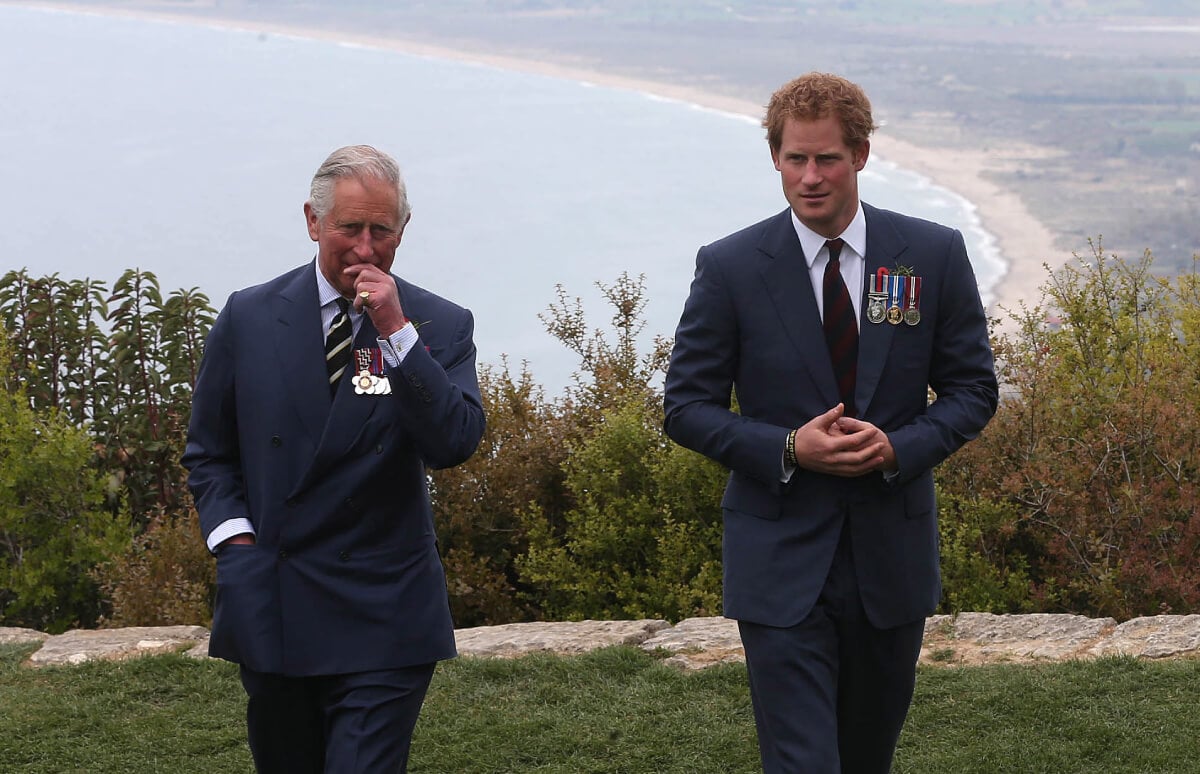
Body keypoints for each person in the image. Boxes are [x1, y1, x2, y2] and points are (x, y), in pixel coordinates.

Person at [662, 73, 998, 773]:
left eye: (827, 160)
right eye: (795, 159)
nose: (810, 178)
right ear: (776, 159)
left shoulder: (932, 255)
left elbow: (972, 390)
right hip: (778, 562)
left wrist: (898, 448)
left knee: (864, 758)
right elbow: (686, 408)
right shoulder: (729, 268)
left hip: (892, 561)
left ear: (862, 156)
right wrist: (788, 447)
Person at [182, 144, 485, 773]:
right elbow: (209, 452)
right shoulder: (251, 315)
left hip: (385, 608)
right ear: (313, 221)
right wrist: (236, 547)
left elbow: (453, 443)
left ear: (404, 229)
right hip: (276, 597)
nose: (366, 249)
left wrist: (399, 335)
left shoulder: (440, 325)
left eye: (383, 230)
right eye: (350, 228)